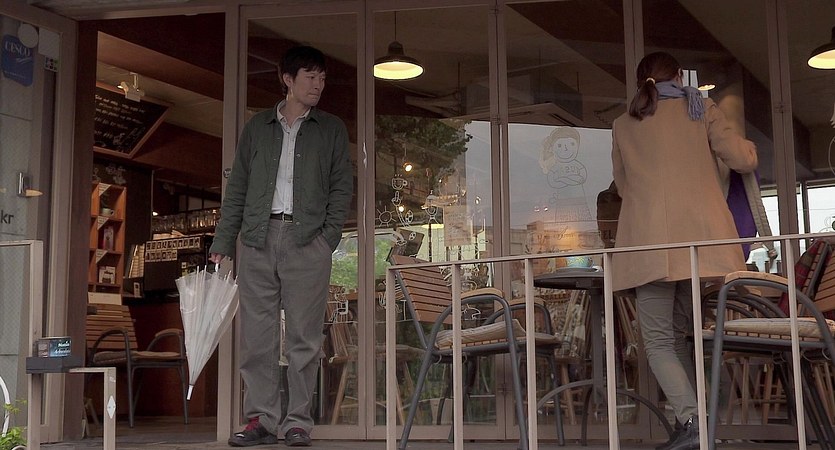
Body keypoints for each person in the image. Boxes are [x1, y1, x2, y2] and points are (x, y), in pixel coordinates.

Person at [610, 52, 757, 450]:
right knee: (675, 337)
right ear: (678, 75)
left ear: (641, 82)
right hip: (698, 245)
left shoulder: (623, 124)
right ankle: (694, 423)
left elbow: (623, 186)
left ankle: (692, 423)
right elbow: (741, 158)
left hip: (650, 246)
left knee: (658, 341)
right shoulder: (700, 108)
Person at [209, 45, 353, 447]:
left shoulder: (331, 129)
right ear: (287, 79)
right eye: (310, 77)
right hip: (257, 238)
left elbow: (342, 187)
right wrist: (224, 239)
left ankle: (297, 422)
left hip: (308, 240)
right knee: (257, 336)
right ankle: (261, 419)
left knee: (304, 337)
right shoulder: (258, 127)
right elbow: (238, 186)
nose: (318, 85)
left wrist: (327, 239)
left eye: (322, 78)